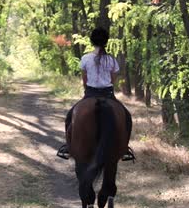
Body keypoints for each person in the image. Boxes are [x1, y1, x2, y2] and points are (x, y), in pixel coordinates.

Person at [57, 27, 134, 161]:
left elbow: (85, 79)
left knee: (70, 116)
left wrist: (89, 88)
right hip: (108, 94)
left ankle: (68, 146)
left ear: (92, 41)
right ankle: (124, 149)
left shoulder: (86, 58)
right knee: (127, 117)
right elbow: (112, 79)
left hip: (90, 93)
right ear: (106, 42)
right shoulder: (111, 60)